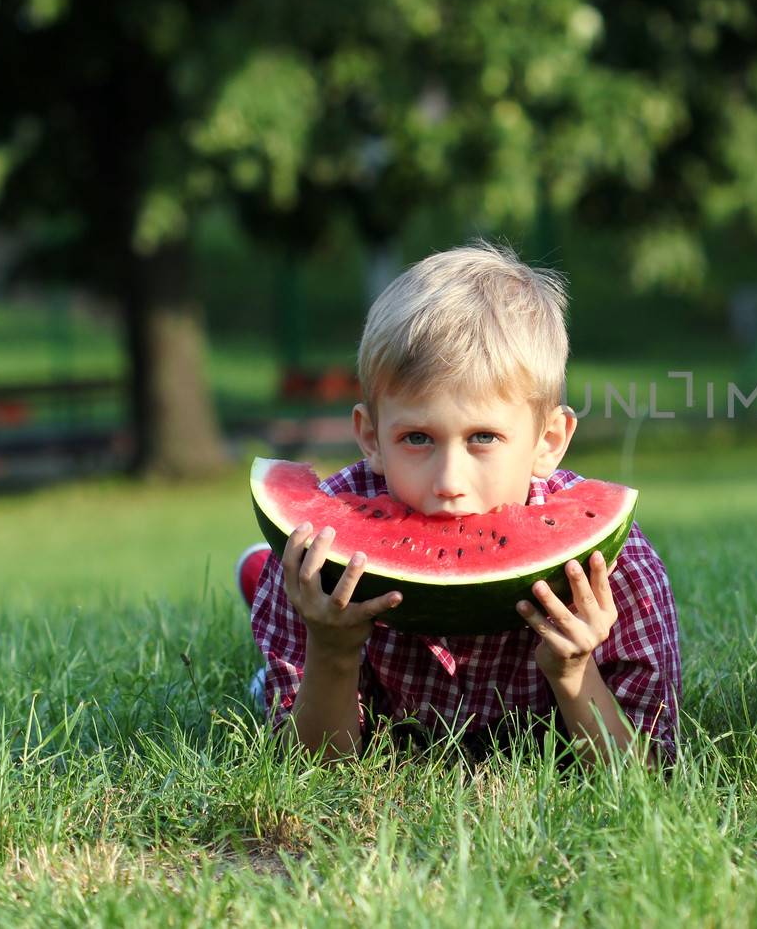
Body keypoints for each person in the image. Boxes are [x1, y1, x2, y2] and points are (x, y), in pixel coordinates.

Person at [235, 243, 681, 763]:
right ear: (371, 436)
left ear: (549, 440)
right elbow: (311, 772)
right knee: (275, 640)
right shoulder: (317, 554)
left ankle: (253, 574)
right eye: (418, 439)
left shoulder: (616, 571)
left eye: (484, 438)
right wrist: (331, 650)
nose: (449, 481)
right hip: (323, 632)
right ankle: (259, 577)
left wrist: (575, 673)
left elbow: (647, 779)